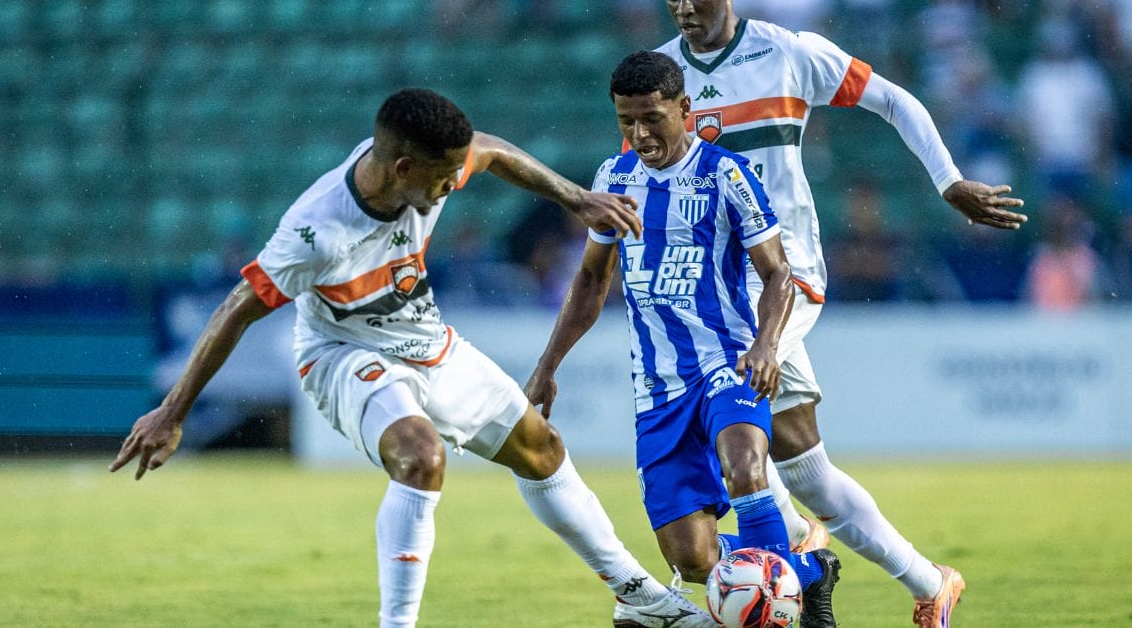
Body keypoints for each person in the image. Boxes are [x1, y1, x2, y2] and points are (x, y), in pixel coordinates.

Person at [109, 88, 718, 628]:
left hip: (425, 342)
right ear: (403, 167)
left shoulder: (430, 163)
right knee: (421, 457)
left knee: (542, 449)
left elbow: (491, 151)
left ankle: (637, 596)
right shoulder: (317, 231)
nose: (454, 184)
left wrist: (576, 198)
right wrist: (172, 411)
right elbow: (237, 308)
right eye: (444, 176)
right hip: (342, 353)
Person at [652, 0, 1030, 625]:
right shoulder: (660, 76)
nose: (684, 7)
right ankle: (928, 582)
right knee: (804, 468)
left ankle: (790, 552)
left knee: (726, 404)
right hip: (715, 288)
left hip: (784, 272)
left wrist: (948, 181)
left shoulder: (788, 54)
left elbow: (894, 99)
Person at [526, 51, 841, 628]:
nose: (640, 134)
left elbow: (778, 273)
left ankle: (777, 612)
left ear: (685, 108)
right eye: (626, 121)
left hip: (728, 361)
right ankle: (808, 569)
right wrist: (548, 366)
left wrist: (766, 345)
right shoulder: (613, 180)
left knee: (745, 468)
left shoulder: (725, 173)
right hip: (659, 387)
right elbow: (592, 278)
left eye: (652, 118)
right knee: (692, 560)